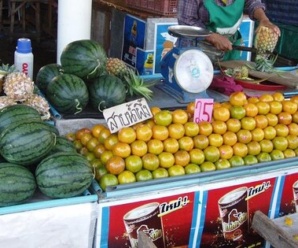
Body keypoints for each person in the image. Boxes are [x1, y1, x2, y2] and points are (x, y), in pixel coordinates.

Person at [177, 0, 281, 61]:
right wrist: (211, 36)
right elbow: (186, 20)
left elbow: (253, 3)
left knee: (229, 90)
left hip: (230, 50)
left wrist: (264, 19)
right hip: (197, 50)